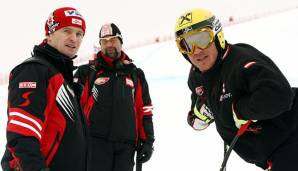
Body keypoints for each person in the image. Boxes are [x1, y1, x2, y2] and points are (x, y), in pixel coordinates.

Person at [174, 8, 298, 171]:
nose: (196, 50)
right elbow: (198, 114)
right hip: (269, 154)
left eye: (202, 39)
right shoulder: (197, 77)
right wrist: (198, 114)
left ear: (217, 36)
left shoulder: (242, 62)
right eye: (187, 44)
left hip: (290, 137)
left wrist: (241, 111)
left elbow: (280, 96)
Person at [1, 7, 88, 171]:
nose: (74, 39)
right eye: (67, 31)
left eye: (79, 34)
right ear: (50, 33)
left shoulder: (62, 77)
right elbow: (22, 133)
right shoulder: (34, 70)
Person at [74, 23, 155, 171]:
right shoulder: (86, 72)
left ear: (121, 42)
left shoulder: (136, 74)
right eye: (104, 41)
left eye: (113, 40)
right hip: (95, 144)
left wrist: (148, 141)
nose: (109, 44)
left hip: (126, 147)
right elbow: (74, 110)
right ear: (100, 45)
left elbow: (145, 110)